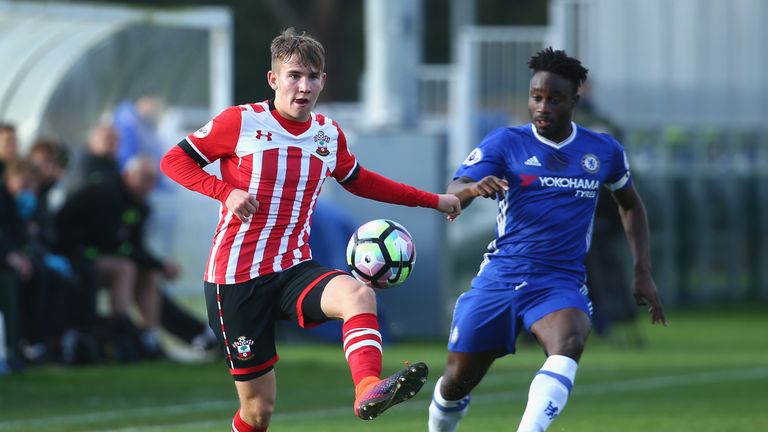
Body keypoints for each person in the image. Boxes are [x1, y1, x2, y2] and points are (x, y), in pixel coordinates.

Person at [160, 28, 461, 431]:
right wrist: (224, 191)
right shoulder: (240, 122)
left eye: (313, 77)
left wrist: (433, 200)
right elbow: (173, 161)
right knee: (258, 411)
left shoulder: (327, 134)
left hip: (293, 268)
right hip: (235, 279)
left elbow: (362, 181)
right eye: (294, 76)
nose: (304, 86)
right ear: (273, 79)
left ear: (323, 81)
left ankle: (367, 388)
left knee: (358, 293)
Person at [427, 47, 667, 432]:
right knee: (457, 380)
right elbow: (454, 190)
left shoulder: (603, 150)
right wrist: (472, 189)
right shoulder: (505, 142)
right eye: (536, 97)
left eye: (554, 99)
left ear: (574, 100)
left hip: (559, 281)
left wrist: (643, 271)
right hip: (501, 278)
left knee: (569, 340)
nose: (542, 107)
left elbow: (630, 204)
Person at [56, 155, 179, 359]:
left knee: (149, 272)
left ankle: (150, 337)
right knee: (125, 268)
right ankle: (120, 329)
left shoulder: (140, 205)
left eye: (152, 180)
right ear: (127, 175)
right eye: (144, 178)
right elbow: (111, 242)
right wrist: (159, 263)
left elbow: (135, 245)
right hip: (73, 255)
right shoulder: (107, 193)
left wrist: (159, 265)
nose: (148, 185)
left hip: (99, 255)